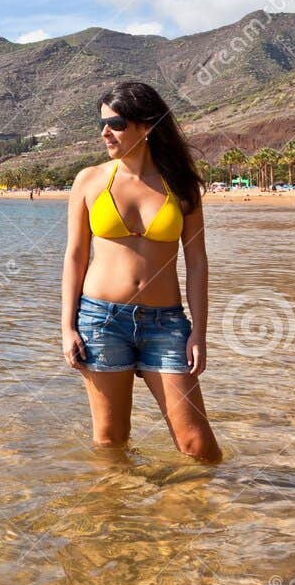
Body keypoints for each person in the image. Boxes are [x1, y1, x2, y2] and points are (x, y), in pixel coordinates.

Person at [61, 81, 222, 463]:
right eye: (102, 123)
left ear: (145, 126)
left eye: (115, 122)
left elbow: (197, 263)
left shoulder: (180, 185)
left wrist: (198, 332)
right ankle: (120, 516)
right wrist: (67, 327)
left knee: (198, 445)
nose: (104, 132)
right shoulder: (90, 180)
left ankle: (203, 511)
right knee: (110, 441)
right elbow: (76, 255)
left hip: (165, 325)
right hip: (101, 320)